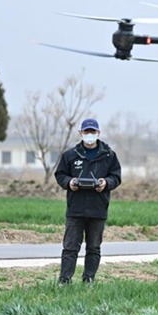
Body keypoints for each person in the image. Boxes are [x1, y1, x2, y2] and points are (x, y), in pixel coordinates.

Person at [54, 118, 121, 284]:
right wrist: (69, 183)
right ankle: (65, 280)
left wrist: (106, 183)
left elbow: (116, 177)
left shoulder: (109, 156)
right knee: (70, 247)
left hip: (98, 209)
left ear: (98, 133)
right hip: (75, 209)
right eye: (86, 132)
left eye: (92, 132)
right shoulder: (70, 155)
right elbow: (60, 174)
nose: (89, 135)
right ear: (80, 133)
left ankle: (89, 279)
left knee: (94, 247)